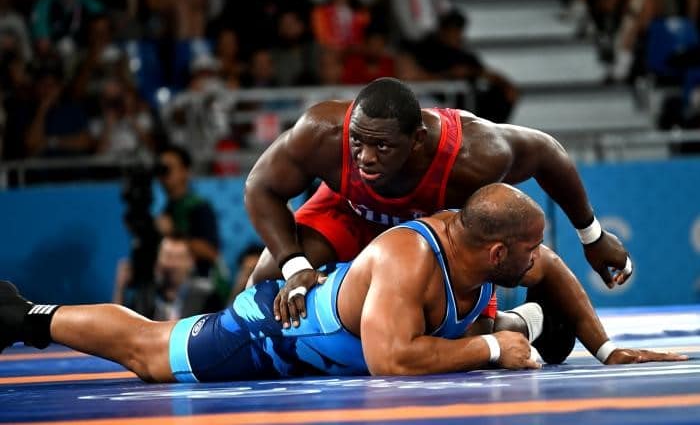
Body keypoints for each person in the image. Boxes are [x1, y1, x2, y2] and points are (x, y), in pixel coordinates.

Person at [0, 184, 685, 382]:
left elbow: (558, 269)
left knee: (491, 327)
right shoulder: (407, 259)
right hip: (281, 334)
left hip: (381, 326)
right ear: (499, 248)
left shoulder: (499, 248)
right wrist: (486, 351)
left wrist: (605, 348)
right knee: (152, 353)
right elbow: (391, 361)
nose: (540, 258)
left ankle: (504, 327)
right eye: (529, 250)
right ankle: (26, 315)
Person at [244, 77, 634, 328]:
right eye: (358, 142)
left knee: (456, 332)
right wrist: (295, 266)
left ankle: (521, 323)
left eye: (382, 146)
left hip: (427, 234)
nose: (365, 158)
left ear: (417, 141)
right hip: (350, 210)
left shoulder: (474, 154)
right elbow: (259, 187)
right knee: (263, 287)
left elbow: (548, 153)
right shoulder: (323, 134)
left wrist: (592, 235)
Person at [156, 144, 221, 279]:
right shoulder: (166, 210)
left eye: (168, 169)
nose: (163, 175)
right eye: (160, 169)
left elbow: (211, 252)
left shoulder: (199, 207)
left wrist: (172, 234)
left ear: (185, 171)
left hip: (200, 280)